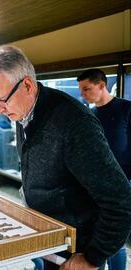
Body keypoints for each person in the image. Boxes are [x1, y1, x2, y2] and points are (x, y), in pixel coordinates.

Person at [0, 45, 131, 270]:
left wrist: (92, 257)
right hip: (49, 239)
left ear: (28, 85)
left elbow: (120, 200)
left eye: (2, 100)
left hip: (75, 248)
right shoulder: (22, 112)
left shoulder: (74, 124)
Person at [77, 68, 131, 270]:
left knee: (116, 238)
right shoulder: (89, 115)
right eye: (81, 90)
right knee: (98, 234)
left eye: (86, 89)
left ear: (102, 86)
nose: (82, 94)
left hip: (122, 183)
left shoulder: (126, 109)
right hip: (94, 185)